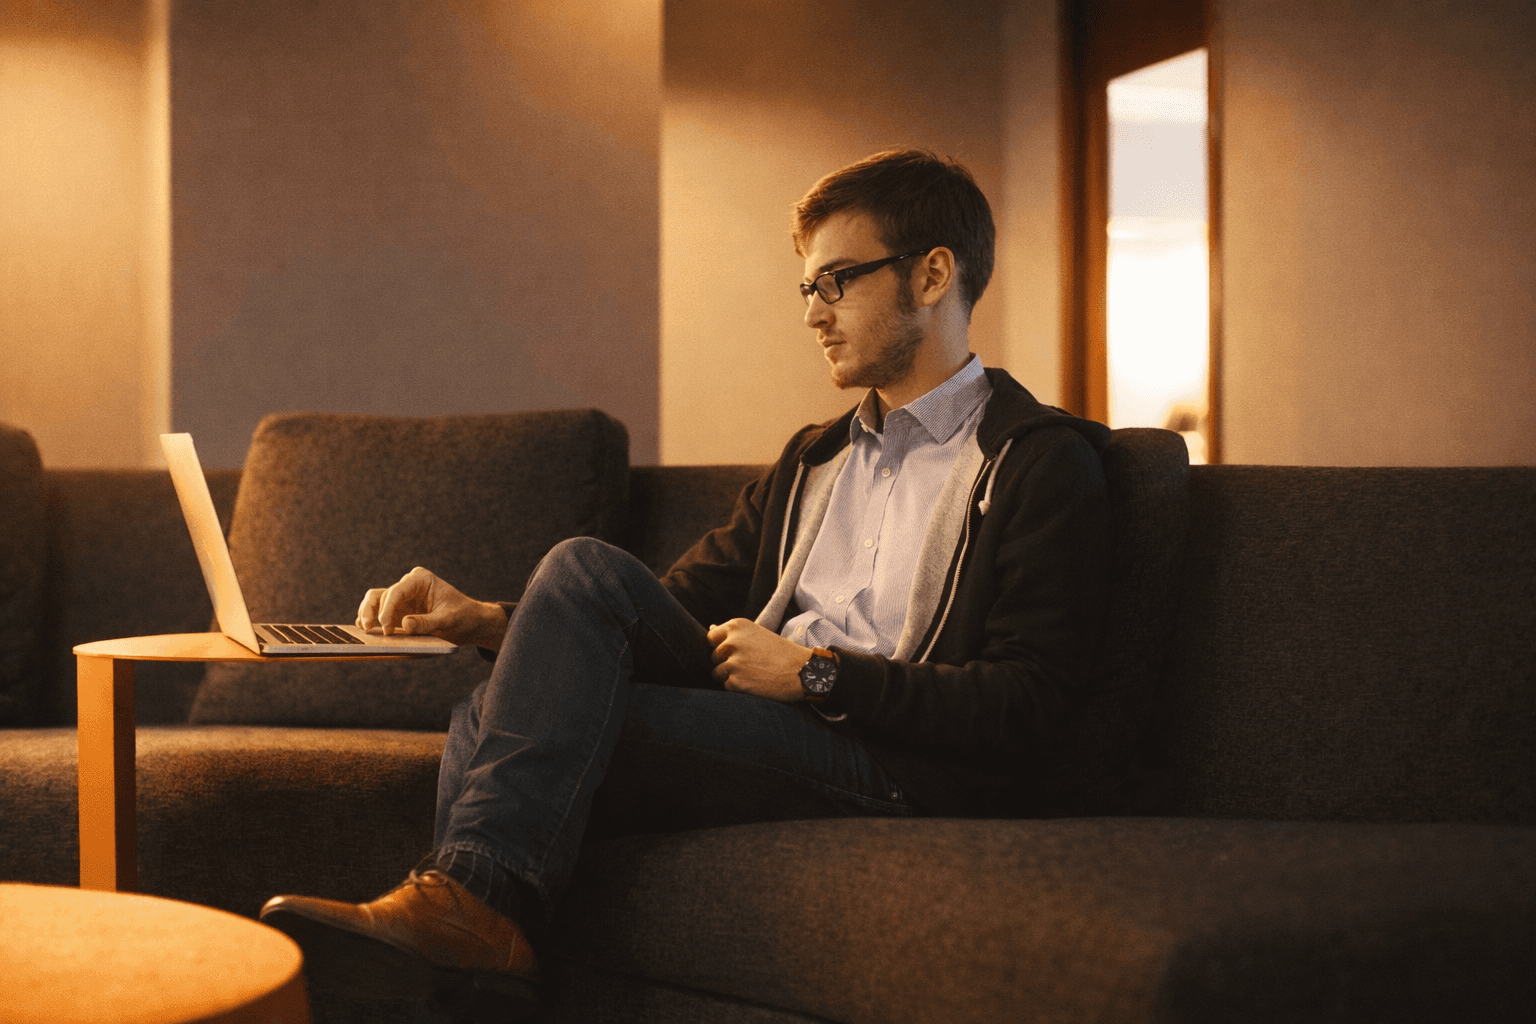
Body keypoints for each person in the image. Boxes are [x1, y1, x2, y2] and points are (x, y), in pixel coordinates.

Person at [260, 148, 1112, 1023]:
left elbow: (1030, 704)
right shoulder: (814, 459)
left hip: (899, 762)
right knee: (559, 605)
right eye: (807, 289)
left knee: (495, 715)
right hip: (773, 717)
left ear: (933, 274)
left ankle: (468, 937)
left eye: (838, 281)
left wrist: (814, 674)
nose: (814, 314)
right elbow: (646, 610)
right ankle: (472, 942)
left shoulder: (1035, 461)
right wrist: (486, 620)